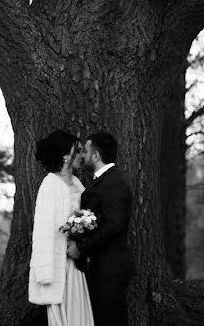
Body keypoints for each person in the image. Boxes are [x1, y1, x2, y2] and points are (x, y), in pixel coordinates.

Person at [29, 130, 95, 326]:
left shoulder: (76, 182)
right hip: (59, 261)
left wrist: (84, 230)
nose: (82, 156)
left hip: (76, 259)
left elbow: (87, 213)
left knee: (78, 312)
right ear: (66, 156)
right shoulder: (50, 184)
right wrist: (45, 270)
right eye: (77, 151)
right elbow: (43, 229)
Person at [66, 132, 133, 326]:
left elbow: (114, 225)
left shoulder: (115, 183)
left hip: (110, 269)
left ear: (96, 156)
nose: (82, 155)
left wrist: (81, 248)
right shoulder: (103, 181)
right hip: (100, 268)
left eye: (85, 151)